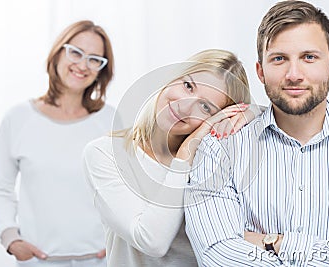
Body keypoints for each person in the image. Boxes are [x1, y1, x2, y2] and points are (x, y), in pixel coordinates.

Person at [184, 1, 329, 266]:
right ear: (260, 71)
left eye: (309, 57)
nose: (294, 75)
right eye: (279, 59)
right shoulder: (219, 151)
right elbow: (218, 256)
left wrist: (276, 242)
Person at [83, 49, 257, 267]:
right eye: (187, 86)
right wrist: (184, 155)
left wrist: (253, 112)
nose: (183, 106)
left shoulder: (212, 163)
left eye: (205, 107)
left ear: (219, 119)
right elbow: (152, 241)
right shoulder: (106, 153)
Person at [0, 20, 116, 267]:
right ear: (58, 52)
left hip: (101, 261)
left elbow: (128, 188)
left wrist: (119, 237)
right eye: (76, 52)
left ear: (101, 70)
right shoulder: (18, 119)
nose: (82, 65)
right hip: (37, 261)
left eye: (94, 59)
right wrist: (11, 239)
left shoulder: (111, 120)